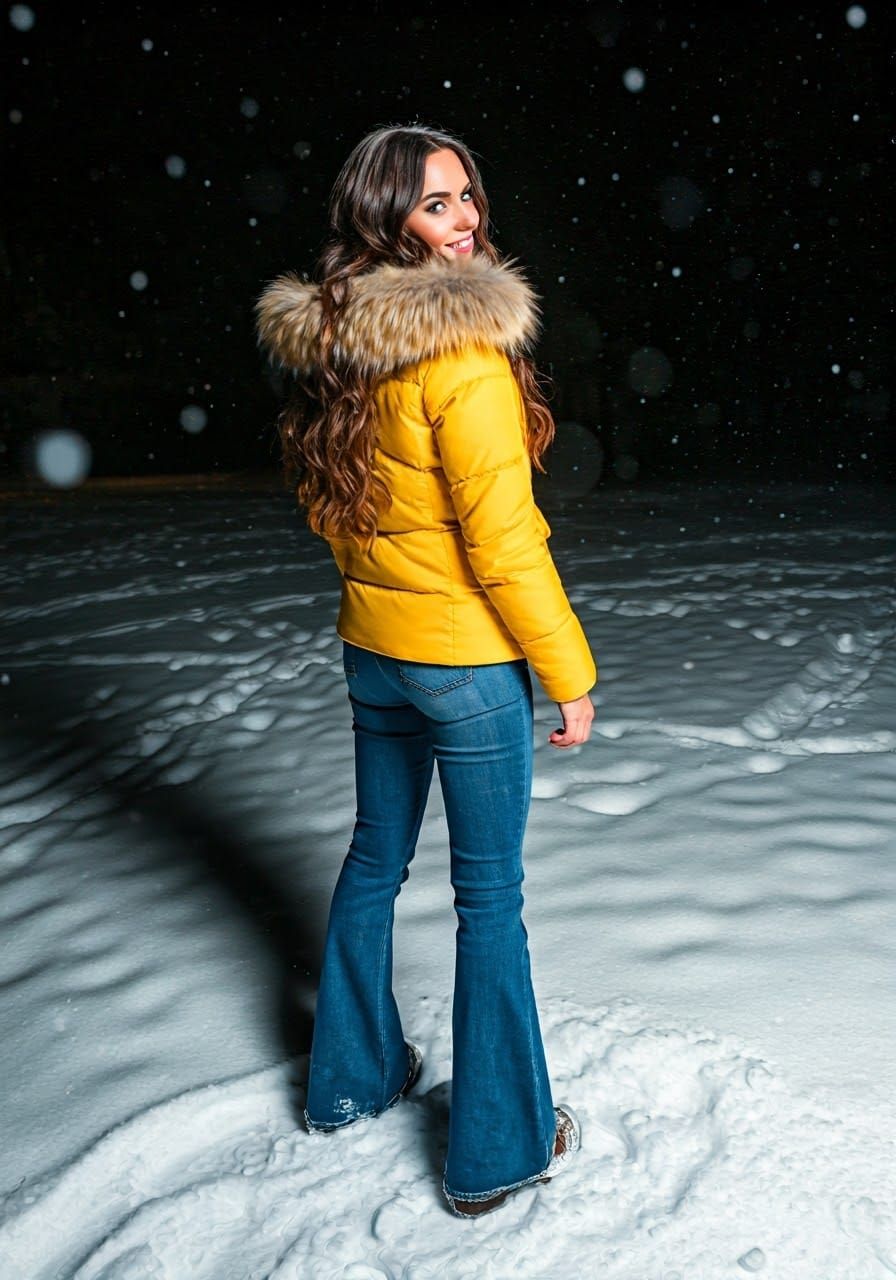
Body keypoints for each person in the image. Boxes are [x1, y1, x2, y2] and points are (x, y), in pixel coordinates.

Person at [254, 122, 597, 1218]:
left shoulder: (338, 343)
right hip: (462, 664)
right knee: (488, 900)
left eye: (466, 197)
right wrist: (567, 669)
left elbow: (333, 506)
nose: (464, 221)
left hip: (374, 651)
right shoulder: (463, 357)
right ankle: (497, 1148)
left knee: (373, 859)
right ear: (384, 216)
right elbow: (504, 543)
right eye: (435, 202)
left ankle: (349, 1082)